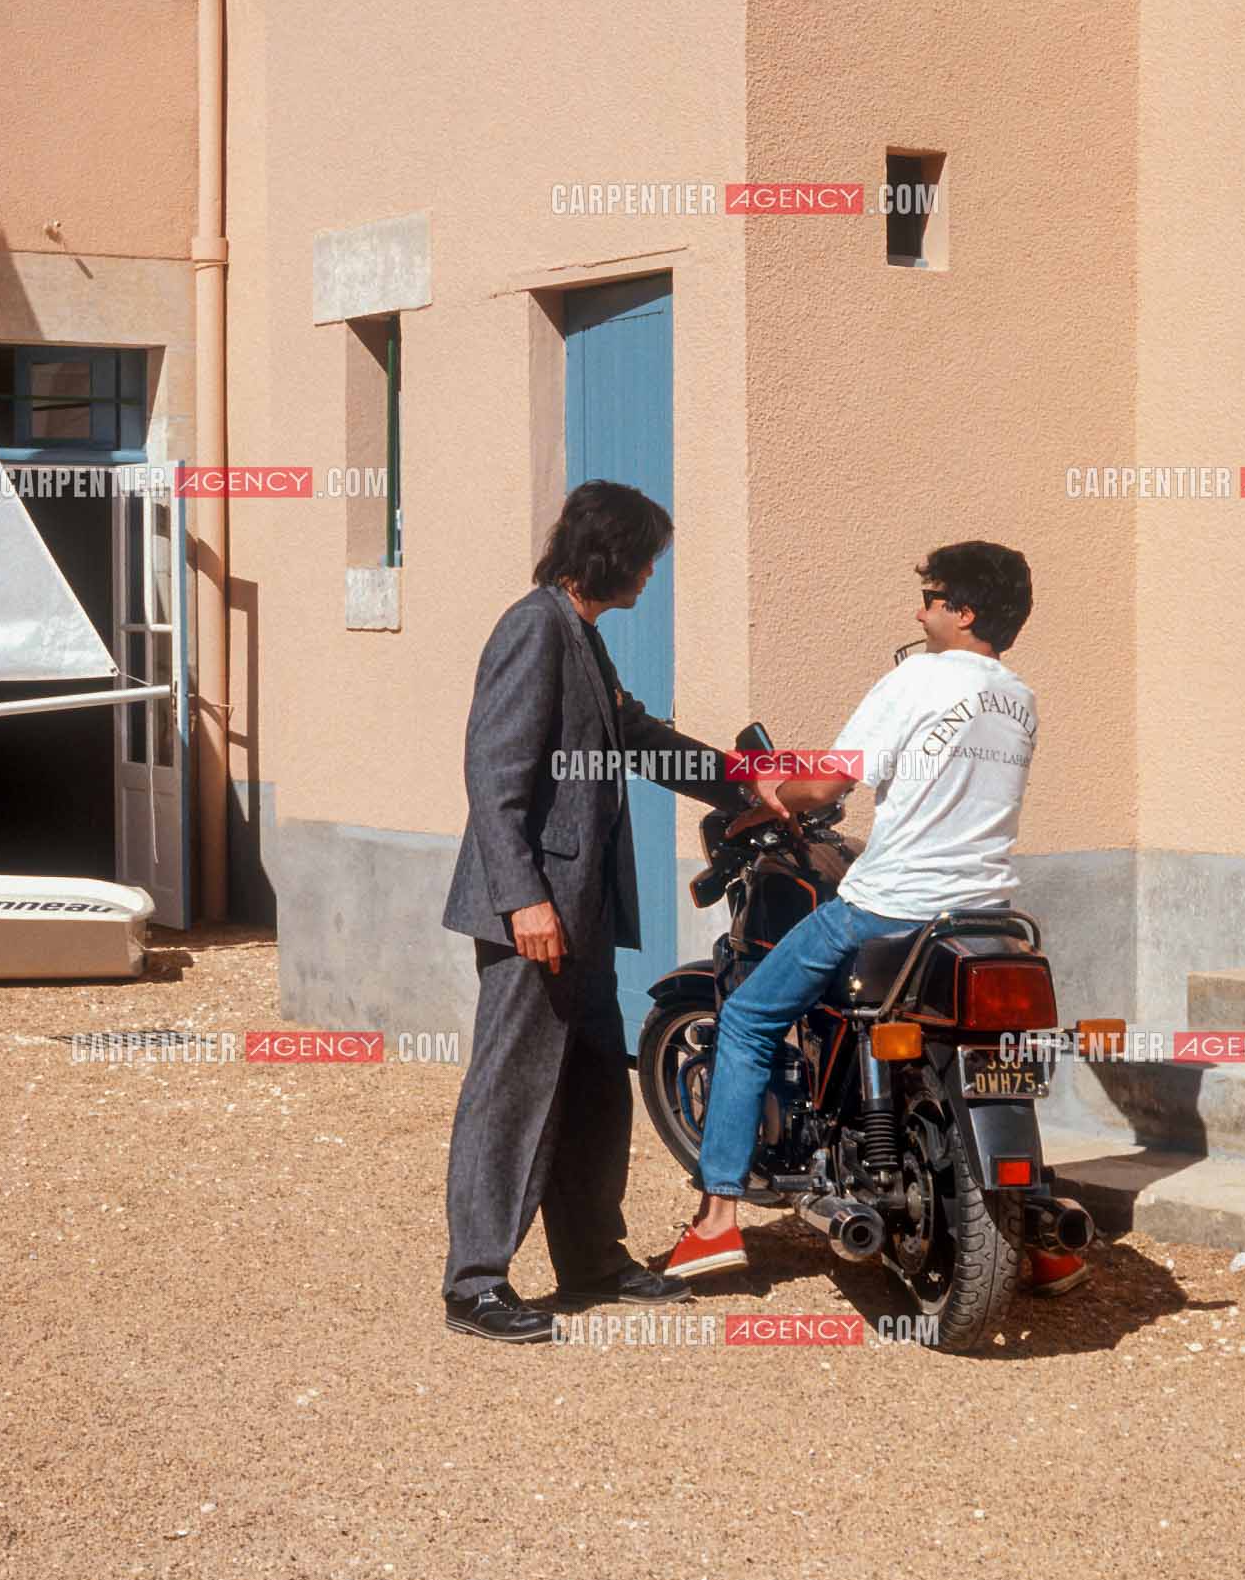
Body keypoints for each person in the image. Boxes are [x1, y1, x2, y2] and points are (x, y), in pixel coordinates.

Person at [662, 539, 1088, 1297]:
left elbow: (829, 784)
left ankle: (717, 1219)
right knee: (993, 1056)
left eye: (930, 599)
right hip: (984, 916)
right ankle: (1038, 1236)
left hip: (887, 907)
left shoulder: (916, 677)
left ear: (963, 612)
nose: (919, 614)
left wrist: (772, 796)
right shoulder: (1020, 699)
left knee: (749, 1018)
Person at [440, 481, 782, 1344]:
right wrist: (523, 898)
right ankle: (474, 1283)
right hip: (536, 913)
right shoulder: (533, 628)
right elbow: (493, 773)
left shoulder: (579, 633)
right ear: (611, 556)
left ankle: (591, 1260)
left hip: (581, 912)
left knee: (596, 1090)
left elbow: (634, 734)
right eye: (647, 559)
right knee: (511, 1092)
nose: (651, 576)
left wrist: (746, 785)